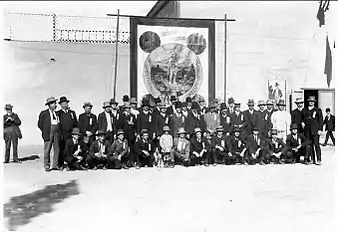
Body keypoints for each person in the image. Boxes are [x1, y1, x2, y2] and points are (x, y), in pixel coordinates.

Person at [38, 97, 61, 172]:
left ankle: (55, 165)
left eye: (55, 103)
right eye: (54, 103)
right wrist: (45, 131)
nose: (55, 105)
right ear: (50, 105)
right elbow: (40, 124)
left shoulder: (57, 113)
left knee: (57, 149)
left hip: (56, 132)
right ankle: (47, 165)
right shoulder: (44, 113)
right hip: (48, 132)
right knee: (47, 149)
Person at [57, 96, 78, 169]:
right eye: (63, 103)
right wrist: (60, 134)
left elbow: (76, 123)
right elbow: (58, 125)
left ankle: (70, 164)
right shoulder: (58, 113)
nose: (65, 105)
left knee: (71, 149)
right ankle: (61, 164)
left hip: (71, 134)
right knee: (62, 149)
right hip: (63, 134)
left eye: (66, 103)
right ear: (60, 104)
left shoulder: (72, 113)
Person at [301, 96, 323, 165]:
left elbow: (321, 120)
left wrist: (320, 129)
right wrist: (302, 122)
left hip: (315, 130)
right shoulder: (304, 110)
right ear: (308, 102)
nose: (311, 102)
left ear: (314, 102)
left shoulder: (318, 110)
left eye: (312, 101)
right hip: (307, 130)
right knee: (309, 145)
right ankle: (312, 159)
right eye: (310, 101)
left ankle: (319, 159)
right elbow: (302, 119)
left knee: (316, 145)